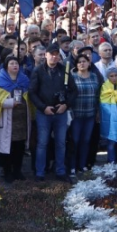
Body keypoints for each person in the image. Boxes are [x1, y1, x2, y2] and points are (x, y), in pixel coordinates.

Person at [30, 48, 74, 182]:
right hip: (44, 112)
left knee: (61, 143)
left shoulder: (64, 70)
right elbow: (32, 92)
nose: (54, 57)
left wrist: (66, 105)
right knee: (42, 143)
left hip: (60, 112)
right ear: (46, 55)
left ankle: (60, 171)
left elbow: (74, 91)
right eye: (51, 54)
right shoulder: (38, 71)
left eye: (56, 55)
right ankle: (40, 172)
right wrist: (43, 107)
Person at [0, 56, 30, 183]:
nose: (14, 65)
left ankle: (17, 171)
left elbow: (30, 96)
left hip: (21, 120)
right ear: (6, 66)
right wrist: (11, 103)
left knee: (19, 146)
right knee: (7, 146)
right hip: (6, 119)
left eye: (16, 63)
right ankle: (7, 172)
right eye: (11, 63)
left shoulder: (24, 79)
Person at [69, 50, 101, 174]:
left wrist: (97, 111)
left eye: (84, 61)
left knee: (86, 140)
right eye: (79, 62)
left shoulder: (94, 76)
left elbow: (97, 95)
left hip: (90, 114)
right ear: (76, 64)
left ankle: (82, 165)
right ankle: (72, 165)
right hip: (76, 115)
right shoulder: (72, 76)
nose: (82, 64)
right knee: (75, 140)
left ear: (89, 63)